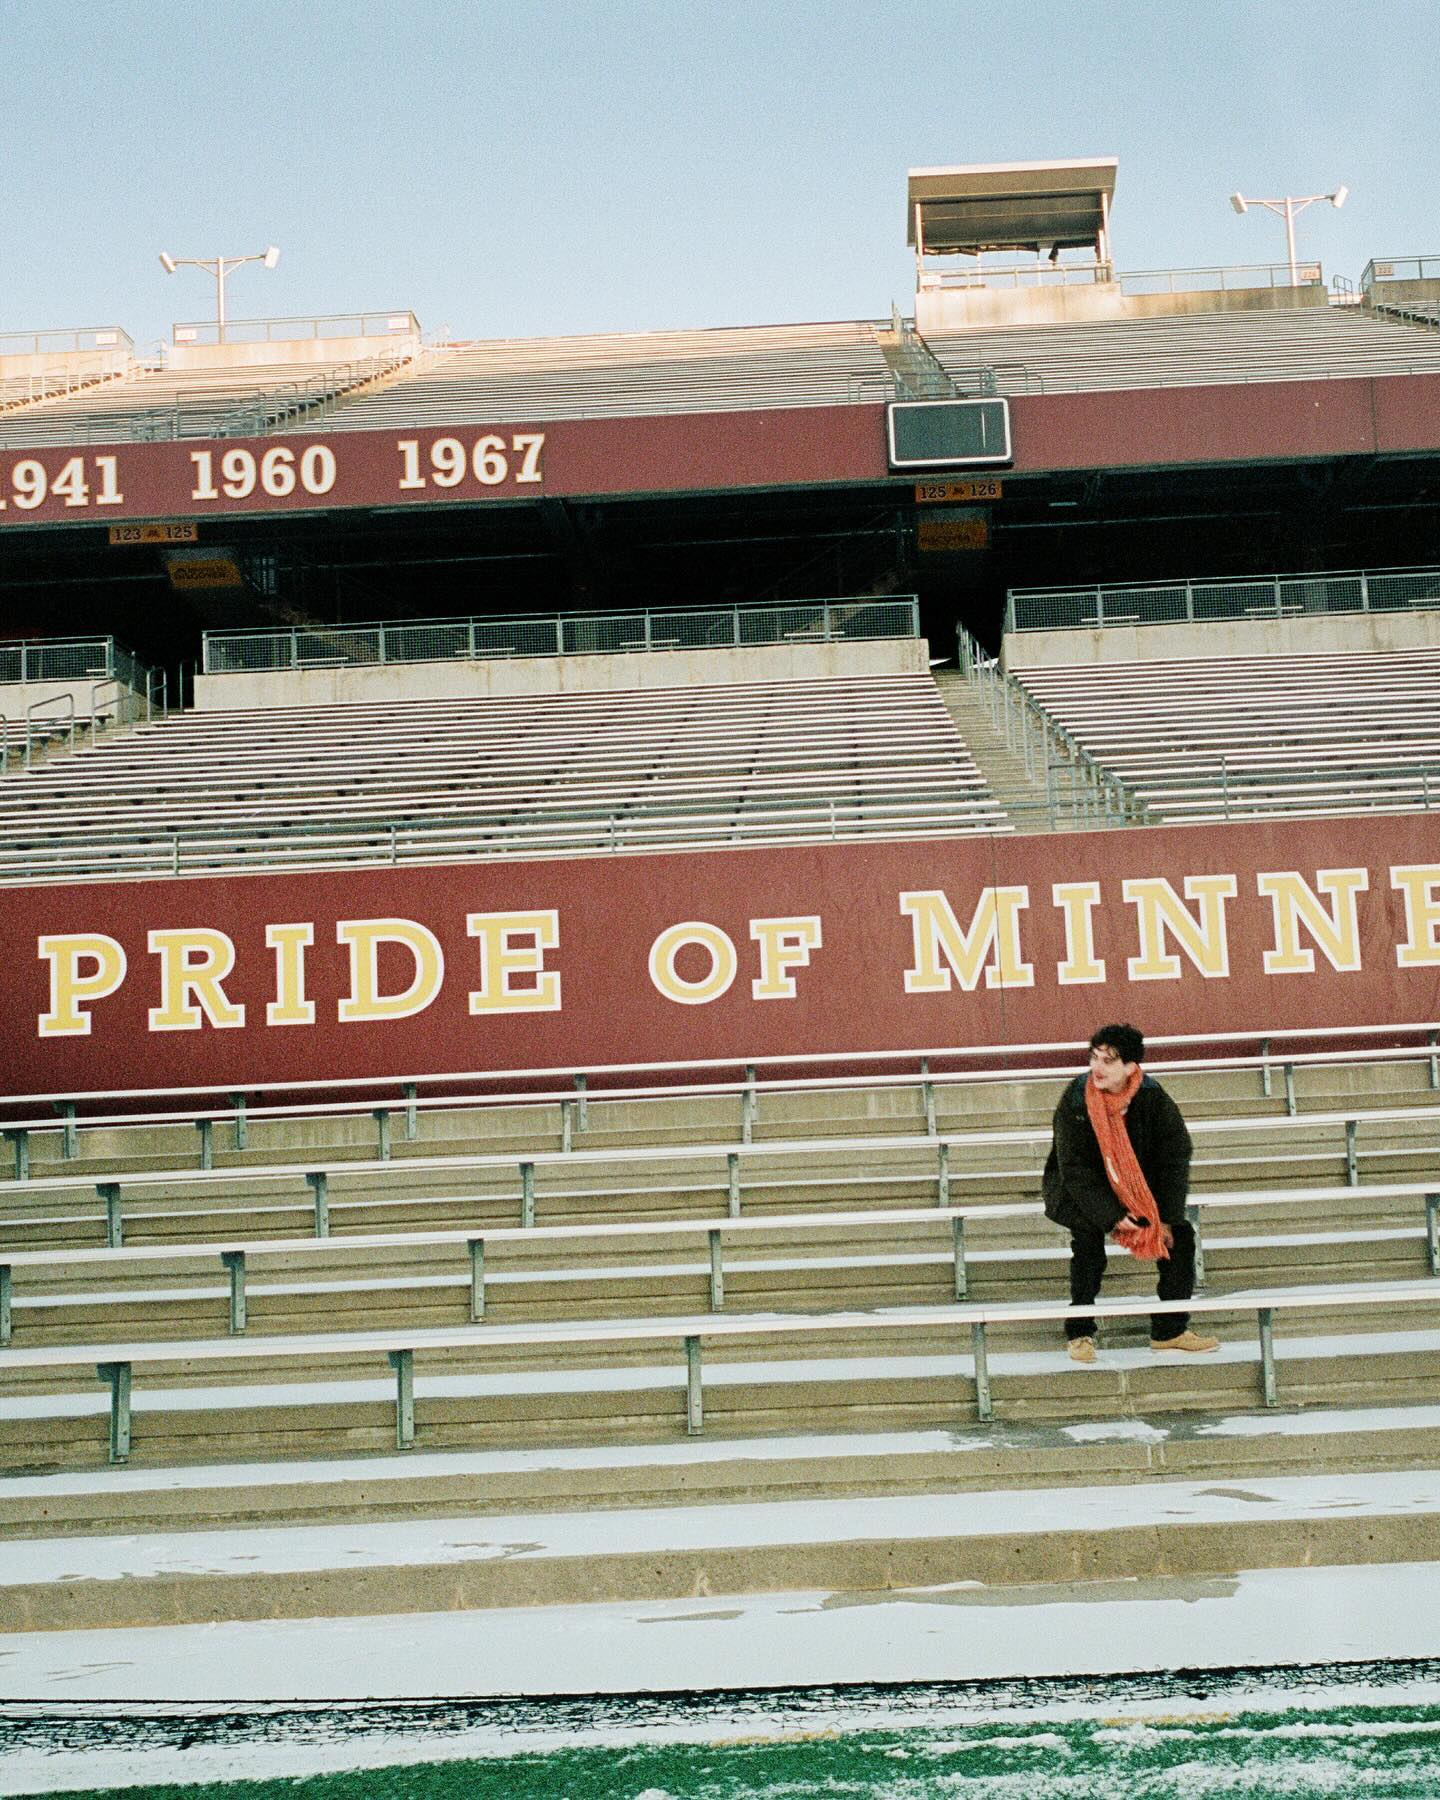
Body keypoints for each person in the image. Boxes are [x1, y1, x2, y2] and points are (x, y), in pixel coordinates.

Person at [1041, 1022, 1218, 1364]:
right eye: (1094, 1057)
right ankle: (1080, 1332)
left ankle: (1170, 1331)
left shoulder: (1152, 1096)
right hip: (1082, 1189)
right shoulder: (1076, 1098)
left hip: (1136, 1186)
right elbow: (1073, 1167)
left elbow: (1175, 1155)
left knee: (1179, 1238)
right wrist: (1110, 1216)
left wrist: (1165, 1218)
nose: (1097, 1068)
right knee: (1088, 1245)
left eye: (1108, 1061)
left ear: (1131, 1067)